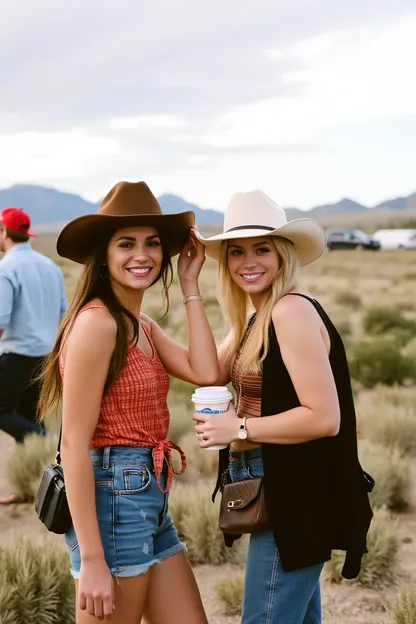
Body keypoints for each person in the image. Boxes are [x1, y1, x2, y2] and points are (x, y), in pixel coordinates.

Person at [38, 181, 218, 624]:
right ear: (104, 253)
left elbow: (206, 371)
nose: (143, 255)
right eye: (127, 244)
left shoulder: (139, 324)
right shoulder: (97, 325)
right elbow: (75, 442)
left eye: (153, 243)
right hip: (113, 500)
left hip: (147, 498)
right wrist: (94, 559)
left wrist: (191, 284)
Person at [194, 190, 374, 624]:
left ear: (282, 254)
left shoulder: (289, 311)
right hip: (280, 482)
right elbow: (204, 372)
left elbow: (323, 417)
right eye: (235, 252)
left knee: (265, 618)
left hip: (296, 489)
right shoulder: (257, 317)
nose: (247, 261)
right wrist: (186, 291)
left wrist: (238, 429)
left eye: (262, 249)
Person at [0, 207, 67, 505]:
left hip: (17, 354)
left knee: (12, 416)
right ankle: (28, 487)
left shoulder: (6, 268)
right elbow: (63, 314)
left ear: (4, 233)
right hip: (45, 357)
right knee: (26, 419)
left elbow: (0, 320)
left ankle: (46, 442)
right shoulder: (50, 266)